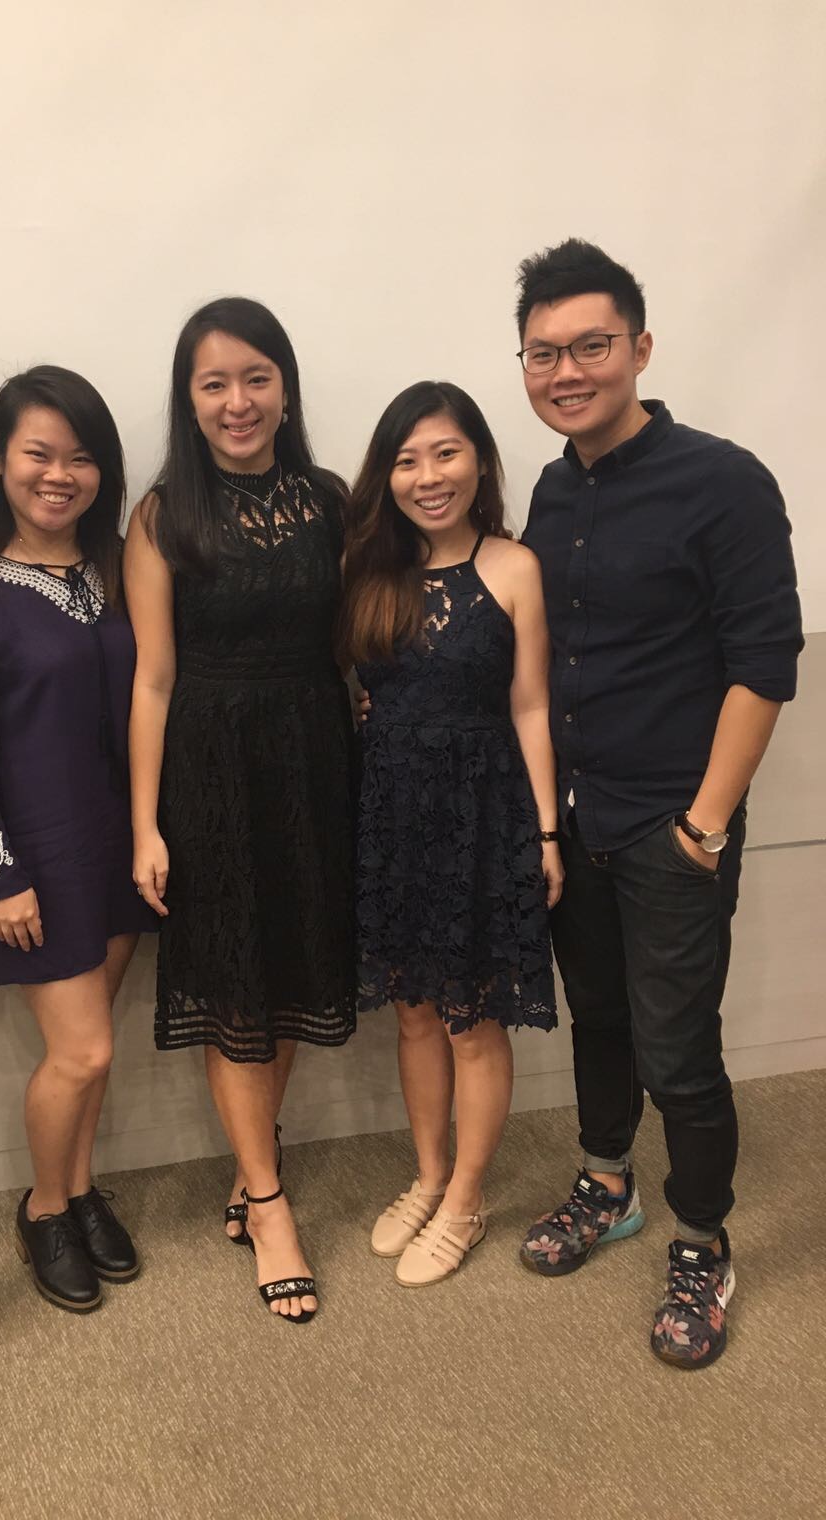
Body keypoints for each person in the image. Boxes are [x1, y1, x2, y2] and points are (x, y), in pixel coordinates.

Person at [514, 238, 802, 1368]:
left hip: (671, 826)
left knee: (679, 1051)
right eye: (543, 352)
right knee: (599, 1019)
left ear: (639, 347)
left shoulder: (723, 482)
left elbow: (764, 662)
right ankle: (607, 1183)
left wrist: (705, 827)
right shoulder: (551, 489)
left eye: (589, 345)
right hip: (576, 819)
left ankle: (701, 1239)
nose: (566, 371)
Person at [124, 297, 355, 1323]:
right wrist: (145, 823)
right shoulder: (162, 516)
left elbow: (354, 639)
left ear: (285, 389)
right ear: (189, 399)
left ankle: (252, 1163)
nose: (237, 401)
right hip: (211, 767)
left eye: (255, 378)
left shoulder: (332, 501)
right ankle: (268, 1202)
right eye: (213, 383)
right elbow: (152, 681)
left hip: (313, 757)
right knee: (234, 987)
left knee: (290, 972)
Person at [0, 366, 156, 1314]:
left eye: (82, 458)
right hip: (32, 858)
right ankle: (45, 1208)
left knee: (102, 1040)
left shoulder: (111, 566)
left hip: (117, 844)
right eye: (39, 454)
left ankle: (82, 1187)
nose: (60, 475)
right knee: (81, 1052)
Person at [339, 381, 560, 1287]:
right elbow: (354, 691)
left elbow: (531, 705)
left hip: (482, 808)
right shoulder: (366, 571)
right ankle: (428, 1176)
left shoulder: (515, 566)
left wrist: (548, 833)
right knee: (413, 1010)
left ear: (478, 461)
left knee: (472, 1016)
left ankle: (467, 1199)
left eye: (445, 453)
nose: (428, 476)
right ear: (386, 475)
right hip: (391, 809)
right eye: (407, 460)